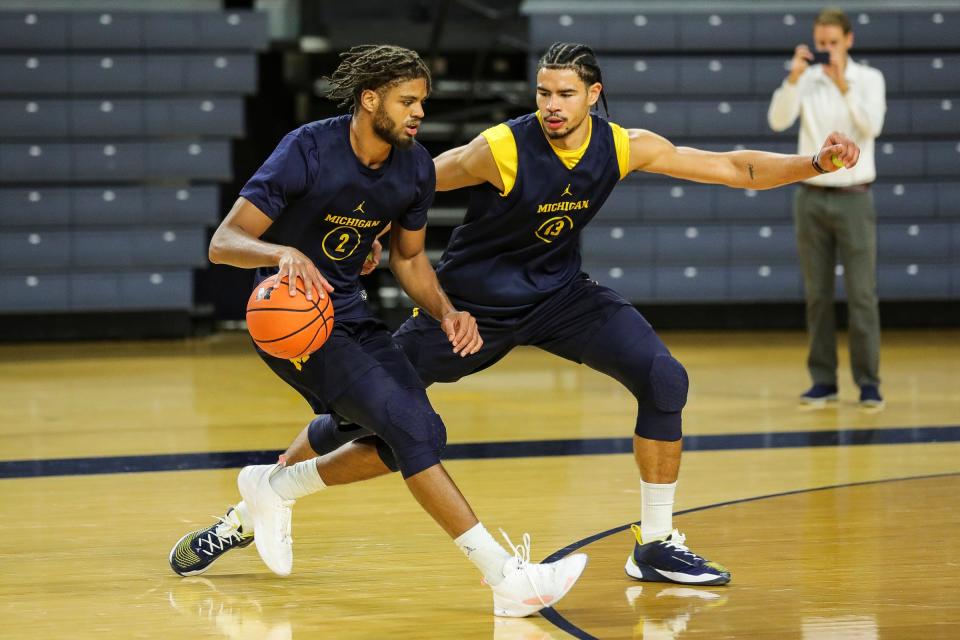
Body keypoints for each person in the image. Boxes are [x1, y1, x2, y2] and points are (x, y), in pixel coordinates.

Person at [186, 41, 860, 588]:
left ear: (593, 96)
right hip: (470, 308)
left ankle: (654, 544)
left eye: (565, 93)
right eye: (543, 93)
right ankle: (251, 510)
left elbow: (734, 169)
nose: (552, 105)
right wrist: (364, 240)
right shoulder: (501, 148)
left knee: (663, 378)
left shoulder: (622, 145)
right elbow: (411, 179)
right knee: (360, 417)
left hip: (562, 299)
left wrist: (813, 162)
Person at [168, 44, 588, 619]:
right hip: (293, 320)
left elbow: (410, 260)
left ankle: (266, 495)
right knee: (410, 427)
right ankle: (505, 577)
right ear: (370, 100)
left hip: (353, 315)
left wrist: (446, 312)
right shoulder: (307, 149)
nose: (418, 112)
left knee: (409, 435)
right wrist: (282, 250)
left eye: (422, 101)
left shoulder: (414, 166)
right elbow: (225, 243)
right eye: (407, 101)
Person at [768, 7, 886, 409]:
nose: (827, 50)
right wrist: (794, 77)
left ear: (849, 41)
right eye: (821, 43)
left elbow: (871, 127)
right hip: (812, 195)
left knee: (862, 295)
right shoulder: (806, 79)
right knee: (817, 294)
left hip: (855, 195)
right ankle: (823, 381)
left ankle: (869, 382)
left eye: (833, 43)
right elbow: (778, 120)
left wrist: (843, 86)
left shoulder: (869, 79)